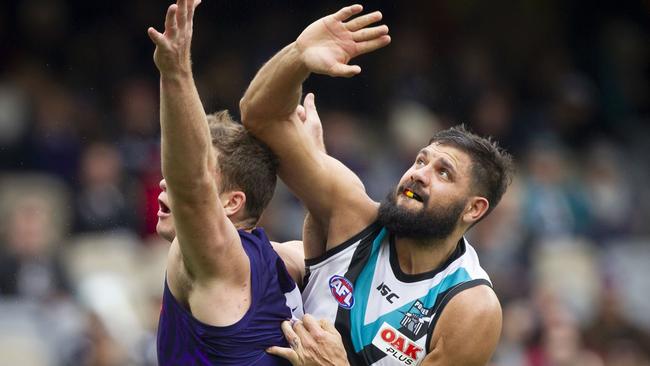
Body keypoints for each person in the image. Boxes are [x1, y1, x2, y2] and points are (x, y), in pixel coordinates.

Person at [240, 4, 514, 365]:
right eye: (420, 160)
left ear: (474, 208)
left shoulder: (469, 305)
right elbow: (260, 117)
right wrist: (297, 57)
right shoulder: (351, 215)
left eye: (443, 172)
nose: (419, 173)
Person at [147, 1, 307, 364]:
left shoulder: (219, 260)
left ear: (231, 202)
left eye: (179, 176)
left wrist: (175, 74)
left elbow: (191, 186)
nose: (164, 181)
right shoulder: (291, 258)